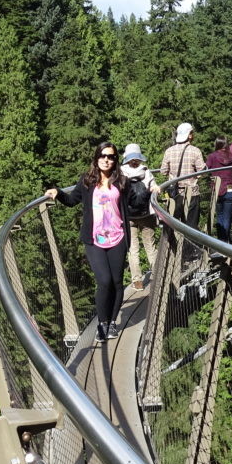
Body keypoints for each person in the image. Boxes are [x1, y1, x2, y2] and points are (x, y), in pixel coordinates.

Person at [45, 142, 130, 342]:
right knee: (104, 281)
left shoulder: (122, 181)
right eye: (102, 156)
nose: (106, 159)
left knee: (117, 283)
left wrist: (151, 188)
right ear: (96, 158)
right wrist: (57, 192)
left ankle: (112, 323)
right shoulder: (87, 180)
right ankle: (102, 323)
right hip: (94, 239)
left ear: (115, 160)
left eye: (110, 156)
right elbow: (73, 200)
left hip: (118, 238)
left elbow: (134, 202)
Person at [120, 143, 158, 290]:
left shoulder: (121, 173)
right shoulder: (145, 171)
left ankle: (137, 281)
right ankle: (156, 275)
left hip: (128, 216)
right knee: (150, 246)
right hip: (146, 214)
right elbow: (154, 188)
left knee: (132, 249)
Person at [159, 122, 207, 236]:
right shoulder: (195, 151)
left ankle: (173, 250)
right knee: (191, 226)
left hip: (174, 194)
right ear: (189, 135)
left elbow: (163, 171)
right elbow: (202, 172)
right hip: (192, 194)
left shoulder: (169, 151)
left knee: (173, 225)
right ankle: (189, 252)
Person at [205, 136, 232, 243]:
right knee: (227, 216)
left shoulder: (212, 157)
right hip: (230, 188)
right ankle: (226, 240)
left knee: (219, 215)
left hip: (217, 189)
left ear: (217, 144)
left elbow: (206, 171)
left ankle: (221, 240)